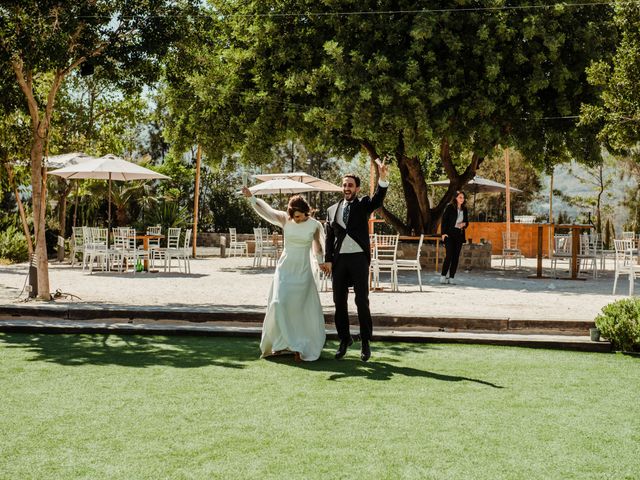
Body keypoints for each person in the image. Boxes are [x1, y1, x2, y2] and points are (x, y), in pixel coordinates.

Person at [242, 187, 326, 361]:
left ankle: (297, 345)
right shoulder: (285, 220)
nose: (300, 218)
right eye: (296, 216)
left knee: (298, 309)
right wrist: (252, 199)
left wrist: (321, 262)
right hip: (285, 269)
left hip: (303, 270)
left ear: (306, 211)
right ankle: (279, 343)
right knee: (279, 303)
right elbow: (267, 211)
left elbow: (317, 246)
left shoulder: (314, 225)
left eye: (302, 215)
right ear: (290, 214)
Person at [320, 158, 389, 362]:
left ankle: (366, 342)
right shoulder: (332, 210)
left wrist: (382, 178)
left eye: (350, 185)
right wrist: (328, 260)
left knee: (361, 301)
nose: (346, 188)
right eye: (344, 185)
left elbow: (378, 198)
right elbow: (329, 237)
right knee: (338, 301)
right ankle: (344, 339)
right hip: (339, 261)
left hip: (359, 259)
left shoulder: (364, 204)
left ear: (357, 188)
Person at [440, 190, 469, 285]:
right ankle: (443, 275)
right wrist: (443, 233)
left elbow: (467, 222)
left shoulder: (464, 209)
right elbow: (444, 220)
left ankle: (451, 277)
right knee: (449, 256)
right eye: (460, 197)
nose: (462, 199)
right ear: (456, 198)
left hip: (459, 235)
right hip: (449, 234)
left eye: (463, 197)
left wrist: (464, 225)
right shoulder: (450, 207)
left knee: (456, 257)